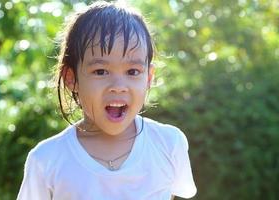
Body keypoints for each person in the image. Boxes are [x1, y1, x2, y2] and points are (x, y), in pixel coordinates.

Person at [17, 1, 197, 199]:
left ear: (148, 78)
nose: (118, 86)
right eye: (101, 71)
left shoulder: (168, 144)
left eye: (132, 71)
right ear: (71, 78)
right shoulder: (46, 160)